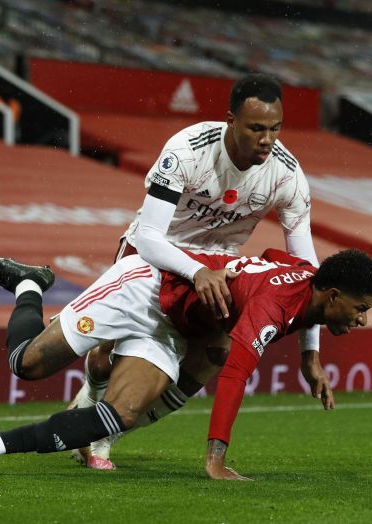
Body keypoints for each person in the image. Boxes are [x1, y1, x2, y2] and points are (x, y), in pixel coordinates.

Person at [70, 72, 325, 469]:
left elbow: (310, 276)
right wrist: (194, 271)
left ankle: (104, 436)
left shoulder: (287, 176)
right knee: (108, 357)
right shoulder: (188, 149)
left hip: (219, 265)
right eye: (256, 128)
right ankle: (91, 392)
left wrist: (310, 354)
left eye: (275, 128)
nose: (267, 139)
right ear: (230, 120)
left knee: (213, 354)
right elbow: (152, 235)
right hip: (153, 252)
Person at [0, 248, 372, 479]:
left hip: (174, 325)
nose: (362, 319)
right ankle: (28, 283)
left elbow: (274, 255)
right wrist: (216, 458)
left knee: (121, 415)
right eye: (360, 308)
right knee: (27, 365)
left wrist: (311, 356)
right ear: (332, 296)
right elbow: (234, 378)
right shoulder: (273, 306)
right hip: (144, 291)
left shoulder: (306, 280)